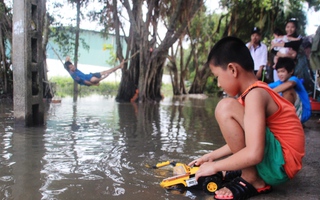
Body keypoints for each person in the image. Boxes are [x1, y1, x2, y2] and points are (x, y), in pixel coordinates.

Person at [188, 37, 304, 200]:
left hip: (281, 164)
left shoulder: (255, 95)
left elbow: (255, 153)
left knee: (225, 106)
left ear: (232, 70)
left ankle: (252, 178)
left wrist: (214, 166)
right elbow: (248, 138)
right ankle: (249, 171)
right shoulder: (253, 93)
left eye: (217, 77)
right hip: (280, 161)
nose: (219, 84)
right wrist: (212, 156)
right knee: (228, 107)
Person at [268, 57, 311, 123]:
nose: (280, 74)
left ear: (291, 71)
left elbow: (290, 84)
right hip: (294, 112)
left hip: (303, 112)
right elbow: (266, 86)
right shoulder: (279, 82)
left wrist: (271, 92)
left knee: (287, 90)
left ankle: (284, 118)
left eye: (282, 71)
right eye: (278, 72)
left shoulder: (294, 79)